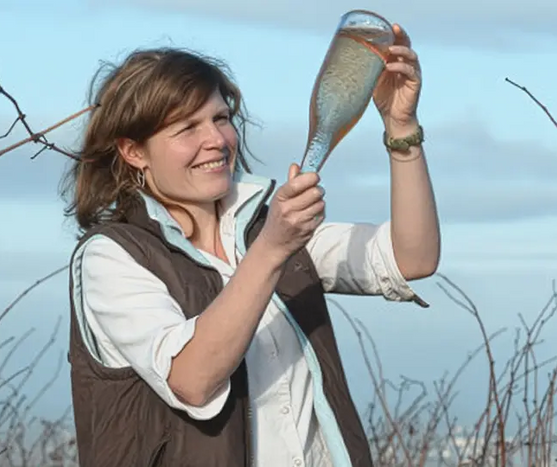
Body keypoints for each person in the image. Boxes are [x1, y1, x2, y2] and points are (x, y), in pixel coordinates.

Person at [61, 23, 439, 467]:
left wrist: (401, 130)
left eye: (220, 119)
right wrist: (273, 249)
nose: (216, 140)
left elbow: (412, 257)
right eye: (187, 128)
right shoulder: (111, 257)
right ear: (133, 151)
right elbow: (192, 379)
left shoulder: (265, 229)